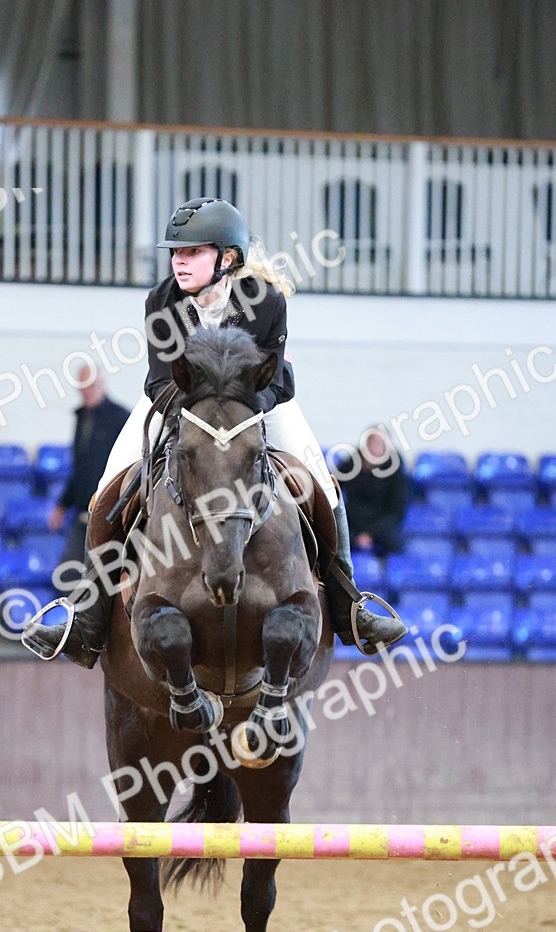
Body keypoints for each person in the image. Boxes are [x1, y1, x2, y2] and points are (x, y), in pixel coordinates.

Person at [24, 197, 406, 666]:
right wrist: (204, 414)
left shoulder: (265, 302)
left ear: (227, 258)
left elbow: (279, 377)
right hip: (178, 405)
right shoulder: (161, 302)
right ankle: (86, 617)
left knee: (322, 485)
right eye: (176, 253)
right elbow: (159, 381)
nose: (179, 262)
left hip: (258, 407)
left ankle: (351, 607)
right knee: (108, 487)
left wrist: (240, 411)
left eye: (193, 253)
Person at [49, 370, 130, 575]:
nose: (87, 391)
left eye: (91, 385)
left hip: (109, 512)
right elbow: (80, 469)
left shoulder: (119, 417)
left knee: (102, 574)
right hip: (82, 513)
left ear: (101, 384)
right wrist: (62, 505)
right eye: (83, 386)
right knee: (68, 573)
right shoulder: (81, 417)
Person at [340, 427, 409, 555]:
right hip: (353, 522)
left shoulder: (395, 468)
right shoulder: (353, 462)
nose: (375, 447)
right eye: (372, 442)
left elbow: (396, 510)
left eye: (380, 443)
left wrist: (370, 534)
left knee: (395, 543)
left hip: (382, 524)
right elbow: (334, 484)